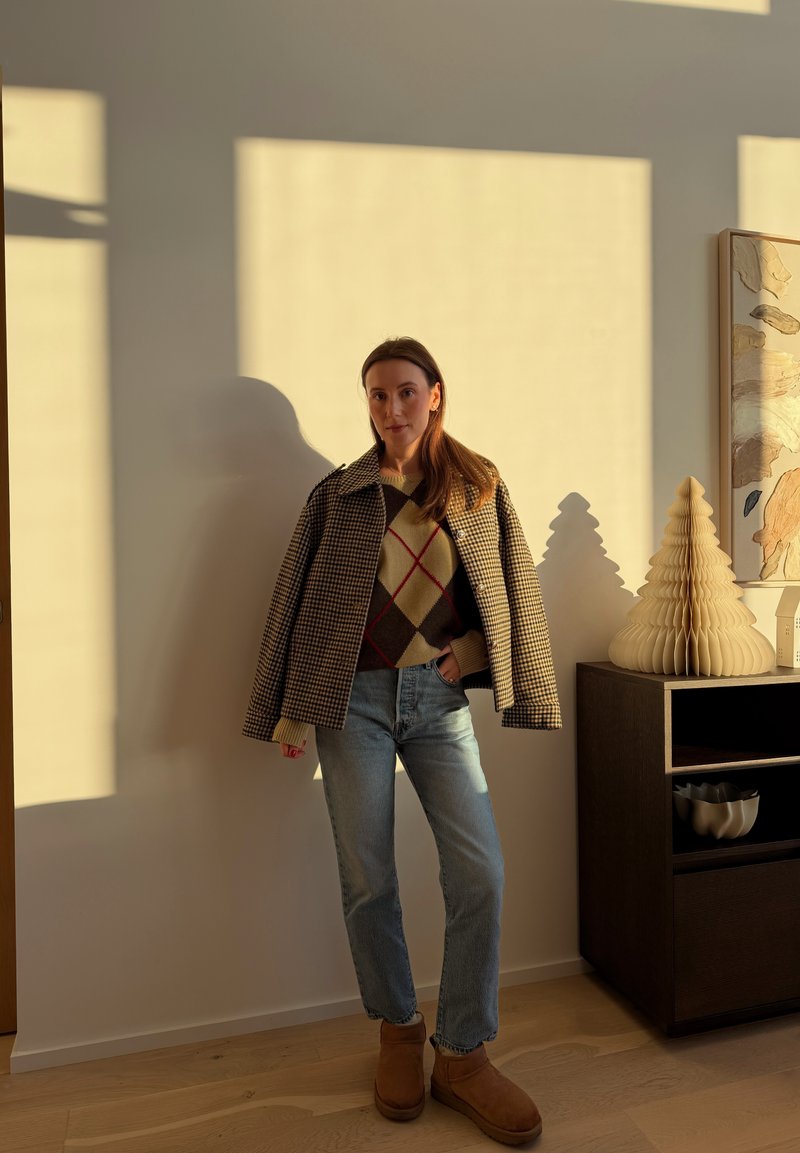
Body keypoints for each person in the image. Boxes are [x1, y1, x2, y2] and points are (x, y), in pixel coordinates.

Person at [243, 337, 561, 1146]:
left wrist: (475, 656)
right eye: (378, 396)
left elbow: (511, 591)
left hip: (439, 700)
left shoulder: (479, 487)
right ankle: (396, 1030)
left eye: (406, 393)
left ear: (437, 395)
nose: (392, 410)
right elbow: (300, 603)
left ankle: (463, 1052)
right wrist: (289, 712)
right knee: (366, 876)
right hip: (350, 703)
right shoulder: (339, 494)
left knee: (479, 868)